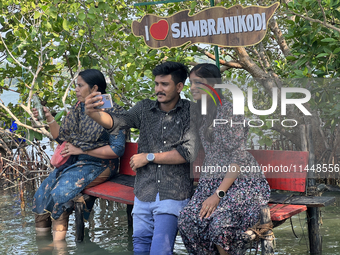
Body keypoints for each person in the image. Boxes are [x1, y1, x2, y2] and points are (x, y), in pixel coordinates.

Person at [84, 61, 199, 255]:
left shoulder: (191, 112)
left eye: (164, 84)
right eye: (156, 84)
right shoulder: (144, 108)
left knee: (160, 251)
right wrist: (94, 114)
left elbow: (188, 152)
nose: (158, 89)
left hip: (173, 192)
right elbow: (119, 122)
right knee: (140, 248)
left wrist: (149, 157)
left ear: (179, 87)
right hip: (144, 191)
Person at [177, 63, 271, 255]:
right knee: (187, 220)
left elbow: (239, 157)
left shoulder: (229, 111)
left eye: (198, 83)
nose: (192, 87)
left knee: (220, 224)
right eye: (191, 83)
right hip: (211, 179)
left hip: (241, 182)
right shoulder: (200, 112)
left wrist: (217, 195)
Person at [32, 69, 126, 241]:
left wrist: (82, 150)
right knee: (41, 194)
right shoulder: (78, 108)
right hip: (75, 162)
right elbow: (61, 137)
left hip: (101, 164)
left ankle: (59, 249)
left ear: (94, 88)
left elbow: (117, 149)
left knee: (60, 195)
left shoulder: (113, 111)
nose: (76, 89)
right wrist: (49, 118)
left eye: (80, 85)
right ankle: (42, 248)